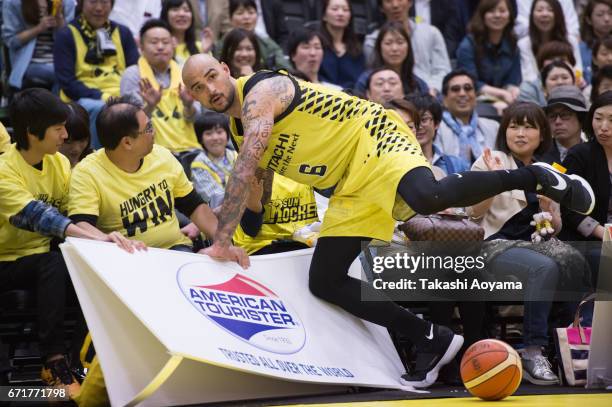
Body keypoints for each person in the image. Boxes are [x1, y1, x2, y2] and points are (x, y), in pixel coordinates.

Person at [182, 54, 595, 387]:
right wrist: (241, 226)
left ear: (226, 67)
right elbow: (256, 188)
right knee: (325, 280)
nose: (210, 90)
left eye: (212, 77)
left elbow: (251, 157)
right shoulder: (240, 129)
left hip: (372, 133)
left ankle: (537, 175)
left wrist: (220, 238)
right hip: (349, 180)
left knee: (425, 196)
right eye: (198, 89)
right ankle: (430, 336)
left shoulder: (261, 90)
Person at [0, 88, 141, 396]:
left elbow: (74, 215)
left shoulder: (59, 164)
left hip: (45, 255)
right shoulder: (4, 172)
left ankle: (82, 358)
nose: (65, 135)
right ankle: (53, 361)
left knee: (83, 260)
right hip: (8, 261)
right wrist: (99, 237)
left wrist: (109, 237)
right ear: (32, 132)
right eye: (58, 128)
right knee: (56, 260)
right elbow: (44, 218)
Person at [468, 102, 581, 385]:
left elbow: (554, 228)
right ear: (504, 131)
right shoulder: (489, 160)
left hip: (534, 244)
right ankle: (532, 351)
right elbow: (474, 212)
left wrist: (551, 209)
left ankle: (561, 346)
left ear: (542, 134)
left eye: (529, 127)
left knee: (576, 263)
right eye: (514, 126)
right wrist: (494, 181)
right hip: (493, 245)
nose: (520, 133)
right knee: (543, 267)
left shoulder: (547, 170)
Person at [67, 96, 246, 262]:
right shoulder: (87, 172)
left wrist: (224, 245)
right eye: (149, 128)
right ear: (127, 142)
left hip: (176, 249)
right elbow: (81, 224)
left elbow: (195, 206)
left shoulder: (162, 156)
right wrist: (104, 239)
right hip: (126, 257)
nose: (154, 132)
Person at [53, 0, 139, 149]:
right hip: (84, 97)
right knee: (99, 108)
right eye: (93, 2)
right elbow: (67, 82)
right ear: (81, 4)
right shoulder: (66, 34)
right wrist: (103, 96)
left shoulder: (123, 33)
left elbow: (135, 71)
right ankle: (95, 155)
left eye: (104, 2)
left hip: (122, 94)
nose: (99, 8)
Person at [120, 18, 201, 156]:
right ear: (141, 46)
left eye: (165, 42)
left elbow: (196, 119)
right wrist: (150, 106)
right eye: (154, 42)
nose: (160, 47)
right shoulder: (132, 74)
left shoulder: (185, 72)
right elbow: (129, 124)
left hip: (190, 149)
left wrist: (188, 105)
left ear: (174, 44)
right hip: (150, 153)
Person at [365, 0, 451, 94]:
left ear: (410, 2)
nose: (395, 5)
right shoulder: (372, 41)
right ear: (381, 7)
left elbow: (443, 70)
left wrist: (432, 90)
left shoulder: (431, 33)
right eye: (389, 1)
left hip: (431, 94)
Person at [561, 91, 612, 242]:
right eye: (598, 118)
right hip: (588, 241)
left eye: (611, 120)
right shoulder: (579, 155)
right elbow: (567, 207)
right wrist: (605, 234)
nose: (603, 127)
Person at [456, 0, 521, 113]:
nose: (497, 15)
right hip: (475, 99)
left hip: (505, 99)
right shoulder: (468, 45)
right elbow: (471, 83)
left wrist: (513, 91)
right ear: (482, 16)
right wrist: (501, 94)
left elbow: (513, 80)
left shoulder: (512, 44)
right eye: (491, 11)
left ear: (509, 15)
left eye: (502, 11)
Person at [2, 0, 75, 91]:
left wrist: (59, 19)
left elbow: (70, 42)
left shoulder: (68, 3)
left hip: (58, 62)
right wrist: (39, 28)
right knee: (61, 76)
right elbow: (11, 41)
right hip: (30, 63)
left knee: (71, 76)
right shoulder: (13, 2)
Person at [436, 69, 500, 164]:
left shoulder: (494, 127)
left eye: (468, 88)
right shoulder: (436, 129)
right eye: (455, 89)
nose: (462, 93)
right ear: (445, 99)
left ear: (476, 95)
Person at [354, 21, 429, 97]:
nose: (394, 48)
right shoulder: (365, 80)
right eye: (388, 43)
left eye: (400, 42)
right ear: (379, 47)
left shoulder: (419, 85)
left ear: (408, 47)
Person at [517, 0, 583, 83]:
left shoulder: (570, 40)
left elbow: (577, 71)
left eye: (550, 10)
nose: (544, 14)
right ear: (532, 15)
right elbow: (528, 77)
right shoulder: (524, 44)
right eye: (539, 10)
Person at [214, 0, 290, 72]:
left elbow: (286, 69)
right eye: (240, 13)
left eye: (251, 12)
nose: (246, 17)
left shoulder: (267, 43)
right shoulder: (222, 44)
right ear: (231, 18)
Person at [403, 94, 470, 175]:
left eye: (424, 119)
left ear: (436, 123)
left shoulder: (456, 165)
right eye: (412, 121)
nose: (418, 127)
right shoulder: (397, 165)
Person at [191, 111, 237, 208]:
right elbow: (214, 198)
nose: (215, 138)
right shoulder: (198, 165)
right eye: (208, 134)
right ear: (200, 138)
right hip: (218, 215)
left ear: (227, 135)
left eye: (219, 132)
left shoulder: (236, 156)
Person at [317, 0, 366, 90]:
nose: (340, 13)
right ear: (324, 16)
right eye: (335, 9)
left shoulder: (357, 48)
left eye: (345, 10)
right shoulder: (317, 46)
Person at [541, 85, 587, 163]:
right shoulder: (538, 153)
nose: (557, 121)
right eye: (552, 116)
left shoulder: (595, 153)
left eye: (565, 115)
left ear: (581, 119)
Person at [160, 0, 210, 67]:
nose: (182, 14)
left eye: (186, 10)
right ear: (165, 14)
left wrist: (204, 53)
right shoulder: (160, 48)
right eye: (175, 10)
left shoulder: (201, 47)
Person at [579, 0, 612, 84]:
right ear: (589, 19)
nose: (607, 19)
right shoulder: (580, 49)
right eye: (600, 15)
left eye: (610, 14)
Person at [59, 102, 92, 167]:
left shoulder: (94, 161)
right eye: (69, 142)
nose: (76, 149)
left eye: (82, 140)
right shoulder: (47, 166)